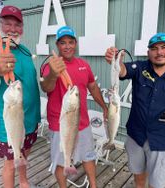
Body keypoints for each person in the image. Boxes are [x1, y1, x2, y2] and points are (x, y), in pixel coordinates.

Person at [105, 33, 165, 188]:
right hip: (136, 136)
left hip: (162, 140)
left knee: (156, 184)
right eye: (154, 48)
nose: (159, 52)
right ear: (148, 52)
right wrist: (116, 62)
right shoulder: (139, 68)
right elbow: (122, 71)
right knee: (138, 176)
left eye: (164, 47)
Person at [0, 5, 40, 188]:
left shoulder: (25, 51)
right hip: (10, 125)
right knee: (9, 165)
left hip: (30, 120)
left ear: (22, 28)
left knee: (23, 155)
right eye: (7, 24)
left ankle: (23, 183)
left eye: (17, 25)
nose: (13, 29)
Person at [40, 26, 108, 188]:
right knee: (61, 160)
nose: (67, 46)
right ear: (57, 45)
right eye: (63, 43)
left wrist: (104, 107)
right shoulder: (51, 66)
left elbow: (92, 86)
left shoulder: (83, 64)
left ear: (75, 43)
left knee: (88, 156)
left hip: (82, 121)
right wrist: (53, 74)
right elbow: (46, 88)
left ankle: (93, 185)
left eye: (70, 42)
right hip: (59, 124)